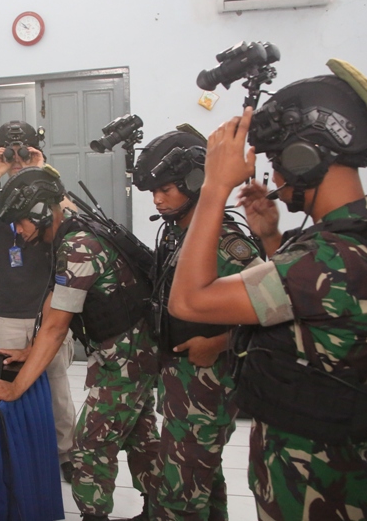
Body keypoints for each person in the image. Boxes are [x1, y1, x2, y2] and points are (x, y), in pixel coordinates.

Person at [167, 60, 367, 520]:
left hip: (312, 476)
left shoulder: (330, 258)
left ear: (305, 157)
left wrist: (214, 188)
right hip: (342, 458)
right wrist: (272, 240)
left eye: (277, 162)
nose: (273, 178)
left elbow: (189, 299)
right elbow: (307, 310)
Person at [0, 167, 160, 521]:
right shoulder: (76, 231)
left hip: (124, 360)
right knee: (141, 434)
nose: (17, 230)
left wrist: (15, 388)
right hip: (138, 353)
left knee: (90, 448)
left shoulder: (78, 246)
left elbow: (56, 328)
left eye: (20, 222)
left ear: (42, 213)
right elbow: (57, 297)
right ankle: (159, 510)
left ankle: (95, 515)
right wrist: (30, 351)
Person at [132, 126, 259, 520]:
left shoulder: (223, 241)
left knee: (179, 492)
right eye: (153, 192)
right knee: (203, 477)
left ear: (195, 183)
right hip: (180, 382)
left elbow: (269, 312)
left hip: (208, 386)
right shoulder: (176, 234)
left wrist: (217, 343)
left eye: (166, 190)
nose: (158, 200)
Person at [0, 120, 76, 483]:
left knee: (56, 387)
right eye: (11, 153)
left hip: (50, 310)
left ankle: (66, 453)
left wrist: (41, 172)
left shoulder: (48, 192)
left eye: (25, 152)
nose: (18, 159)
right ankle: (15, 450)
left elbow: (75, 218)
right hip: (7, 310)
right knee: (6, 383)